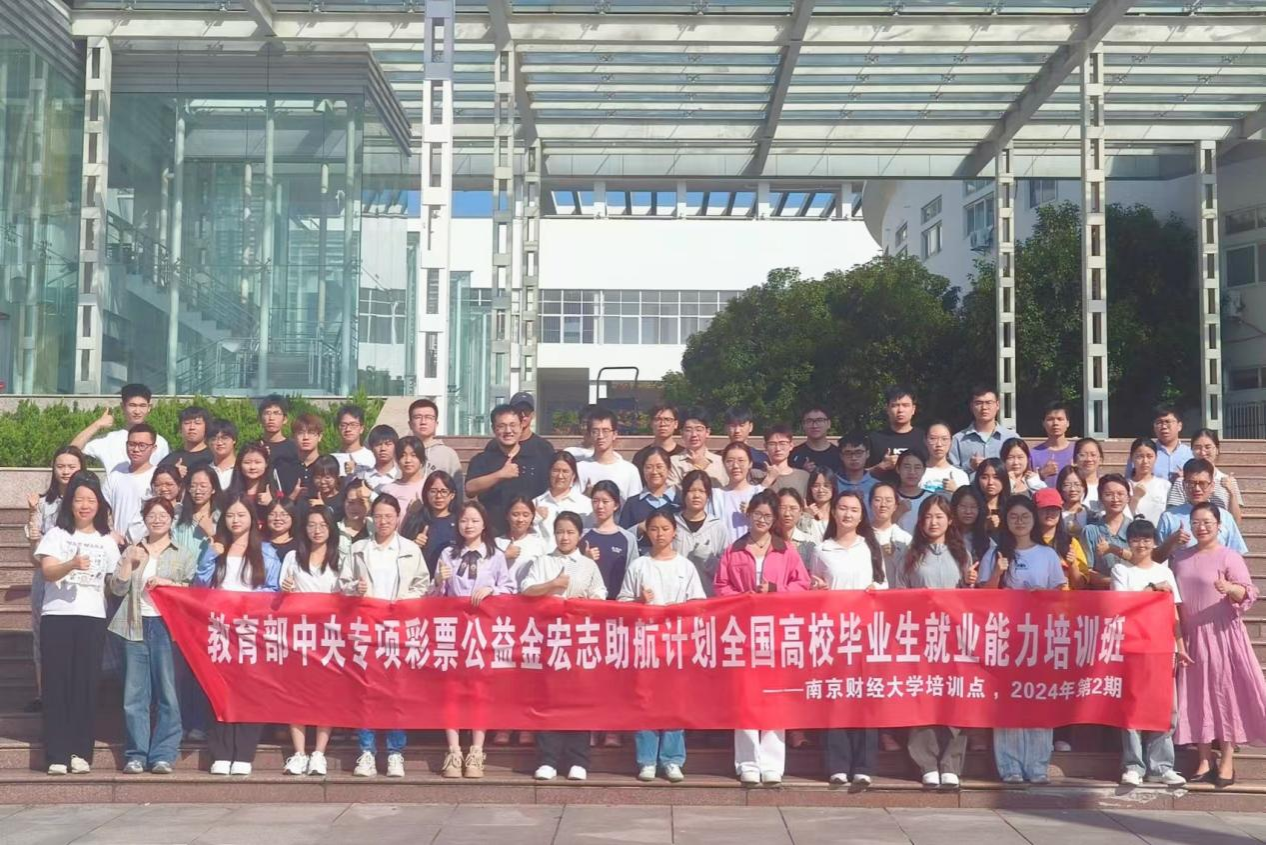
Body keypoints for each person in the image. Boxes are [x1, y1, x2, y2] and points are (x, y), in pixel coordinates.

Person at [714, 490, 810, 785]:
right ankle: (747, 762)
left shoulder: (785, 550)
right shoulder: (734, 550)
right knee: (745, 697)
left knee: (774, 696)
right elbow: (720, 585)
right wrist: (743, 597)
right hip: (742, 633)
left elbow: (802, 584)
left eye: (768, 516)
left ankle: (771, 763)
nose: (762, 520)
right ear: (748, 515)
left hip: (776, 632)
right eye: (757, 514)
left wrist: (776, 591)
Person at [1172, 502, 1266, 787]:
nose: (1201, 527)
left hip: (1221, 634)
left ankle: (1227, 759)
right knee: (1195, 696)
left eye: (1207, 522)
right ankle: (1203, 758)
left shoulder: (1229, 556)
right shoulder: (1179, 558)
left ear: (1219, 525)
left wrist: (1230, 588)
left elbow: (1248, 593)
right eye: (1196, 522)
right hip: (1190, 636)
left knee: (1225, 695)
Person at [34, 475, 121, 775]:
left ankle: (80, 752)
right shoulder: (57, 535)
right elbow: (47, 572)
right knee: (57, 684)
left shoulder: (106, 541)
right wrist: (71, 564)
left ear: (100, 504)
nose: (85, 505)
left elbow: (114, 583)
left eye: (91, 500)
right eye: (79, 499)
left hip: (92, 618)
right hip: (57, 616)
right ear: (70, 503)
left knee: (85, 685)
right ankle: (57, 754)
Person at [193, 493, 282, 776]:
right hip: (220, 629)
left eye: (241, 515)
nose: (235, 520)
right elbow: (200, 585)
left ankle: (243, 752)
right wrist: (211, 554)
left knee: (249, 692)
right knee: (219, 691)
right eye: (230, 515)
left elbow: (273, 590)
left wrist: (247, 604)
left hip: (250, 630)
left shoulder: (265, 551)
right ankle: (221, 752)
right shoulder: (217, 548)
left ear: (252, 520)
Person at [343, 494, 430, 778]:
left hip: (398, 629)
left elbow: (423, 584)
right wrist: (354, 589)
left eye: (388, 516)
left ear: (397, 518)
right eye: (379, 516)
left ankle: (395, 753)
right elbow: (342, 583)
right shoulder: (359, 549)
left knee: (397, 692)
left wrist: (405, 601)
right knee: (366, 691)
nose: (383, 521)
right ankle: (367, 751)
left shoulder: (409, 550)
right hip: (367, 628)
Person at [979, 496, 1065, 784]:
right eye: (1013, 516)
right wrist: (998, 572)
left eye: (1025, 516)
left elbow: (1061, 597)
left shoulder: (1047, 554)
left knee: (1039, 701)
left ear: (1033, 519)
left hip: (1040, 638)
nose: (1019, 521)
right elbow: (983, 597)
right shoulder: (995, 553)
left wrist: (1044, 596)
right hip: (1005, 638)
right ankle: (1010, 766)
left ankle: (1038, 765)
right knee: (1009, 703)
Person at [894, 496, 978, 789]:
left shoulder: (962, 553)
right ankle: (926, 763)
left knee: (956, 698)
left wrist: (970, 583)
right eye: (928, 517)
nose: (933, 522)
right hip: (922, 637)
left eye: (939, 517)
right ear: (920, 521)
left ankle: (951, 763)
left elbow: (971, 598)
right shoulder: (910, 555)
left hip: (955, 638)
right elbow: (899, 595)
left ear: (950, 520)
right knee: (924, 698)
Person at [618, 508, 705, 783]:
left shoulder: (685, 566)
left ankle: (672, 759)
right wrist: (639, 602)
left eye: (665, 529)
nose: (659, 534)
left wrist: (679, 609)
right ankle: (646, 759)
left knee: (674, 702)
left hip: (677, 644)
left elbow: (698, 604)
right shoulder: (639, 565)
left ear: (674, 531)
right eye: (654, 529)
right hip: (646, 644)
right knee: (646, 701)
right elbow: (622, 603)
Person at [110, 497, 195, 775]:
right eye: (152, 515)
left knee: (168, 693)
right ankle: (136, 754)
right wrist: (128, 563)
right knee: (135, 695)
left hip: (167, 628)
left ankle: (163, 754)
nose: (157, 520)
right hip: (134, 624)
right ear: (144, 519)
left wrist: (170, 584)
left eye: (163, 515)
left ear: (171, 520)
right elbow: (117, 589)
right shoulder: (133, 549)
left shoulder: (183, 553)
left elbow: (193, 592)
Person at [521, 512, 608, 781]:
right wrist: (553, 585)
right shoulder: (543, 562)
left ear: (579, 535)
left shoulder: (588, 565)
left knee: (578, 700)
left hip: (579, 639)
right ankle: (548, 759)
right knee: (549, 699)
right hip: (548, 638)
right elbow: (526, 590)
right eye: (560, 531)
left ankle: (578, 759)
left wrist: (583, 604)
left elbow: (600, 596)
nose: (565, 537)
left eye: (570, 532)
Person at [807, 490, 885, 789]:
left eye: (854, 509)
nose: (847, 514)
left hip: (865, 633)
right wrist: (817, 590)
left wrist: (875, 591)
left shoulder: (870, 547)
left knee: (865, 699)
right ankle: (838, 765)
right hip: (834, 634)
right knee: (836, 698)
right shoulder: (822, 549)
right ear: (834, 512)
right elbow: (816, 587)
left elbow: (884, 586)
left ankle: (863, 766)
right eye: (842, 508)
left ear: (861, 515)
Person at [432, 501, 513, 779]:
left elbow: (509, 589)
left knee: (480, 690)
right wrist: (439, 580)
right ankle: (453, 750)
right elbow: (435, 598)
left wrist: (491, 590)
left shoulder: (495, 555)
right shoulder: (448, 554)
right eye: (464, 520)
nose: (469, 525)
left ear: (484, 524)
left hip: (483, 631)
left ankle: (477, 750)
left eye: (475, 521)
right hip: (453, 631)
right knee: (451, 691)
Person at [1111, 518, 1189, 788]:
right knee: (1132, 707)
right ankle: (1133, 765)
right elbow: (1123, 606)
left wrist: (1181, 647)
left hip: (1163, 647)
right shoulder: (1121, 570)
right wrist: (1153, 589)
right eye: (1135, 539)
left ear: (1155, 542)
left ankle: (1161, 766)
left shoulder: (1165, 571)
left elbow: (1174, 612)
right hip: (1132, 647)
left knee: (1166, 708)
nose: (1141, 544)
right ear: (1128, 542)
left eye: (1146, 539)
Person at [279, 506, 342, 777]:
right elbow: (282, 591)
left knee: (326, 693)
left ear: (331, 529)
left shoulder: (341, 558)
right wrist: (286, 590)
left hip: (329, 634)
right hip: (299, 633)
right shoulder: (293, 557)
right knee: (297, 693)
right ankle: (299, 753)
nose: (317, 530)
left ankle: (319, 752)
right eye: (312, 525)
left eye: (323, 525)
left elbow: (346, 593)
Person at [23, 445, 86, 714]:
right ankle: (43, 693)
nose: (66, 471)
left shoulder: (90, 501)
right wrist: (31, 519)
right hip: (46, 580)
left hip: (81, 580)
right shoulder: (42, 503)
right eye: (60, 466)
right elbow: (34, 556)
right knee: (42, 637)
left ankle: (75, 692)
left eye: (72, 466)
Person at [467, 404, 551, 535]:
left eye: (513, 425)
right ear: (494, 429)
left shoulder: (536, 458)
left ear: (521, 426)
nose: (508, 431)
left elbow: (549, 490)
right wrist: (500, 475)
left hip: (530, 534)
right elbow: (470, 488)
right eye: (501, 426)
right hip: (493, 534)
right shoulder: (483, 459)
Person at [1157, 459, 1249, 561]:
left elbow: (1236, 556)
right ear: (1183, 485)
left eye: (1202, 483)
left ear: (1212, 486)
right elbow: (1154, 559)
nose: (1197, 489)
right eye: (1191, 483)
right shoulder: (1169, 517)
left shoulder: (1225, 517)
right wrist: (1170, 542)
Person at [70, 383, 170, 469]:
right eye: (132, 405)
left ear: (149, 407)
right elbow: (72, 451)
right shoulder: (108, 440)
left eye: (142, 406)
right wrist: (97, 425)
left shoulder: (160, 442)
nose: (137, 411)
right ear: (123, 407)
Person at [1167, 429, 1244, 524]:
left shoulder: (1228, 481)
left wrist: (1231, 493)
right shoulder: (1182, 482)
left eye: (1208, 447)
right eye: (1197, 448)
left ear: (1217, 449)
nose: (1203, 452)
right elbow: (1173, 517)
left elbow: (1236, 521)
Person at [672, 469, 729, 597]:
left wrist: (709, 560)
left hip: (708, 597)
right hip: (676, 598)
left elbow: (725, 571)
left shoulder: (718, 527)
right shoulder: (671, 524)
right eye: (692, 490)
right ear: (684, 493)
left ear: (708, 495)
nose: (696, 495)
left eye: (702, 491)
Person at [583, 480, 638, 602]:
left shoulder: (628, 538)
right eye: (595, 501)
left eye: (605, 501)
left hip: (617, 605)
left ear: (616, 505)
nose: (600, 506)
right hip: (588, 603)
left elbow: (633, 574)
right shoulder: (583, 536)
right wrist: (585, 560)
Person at [103, 424, 158, 545]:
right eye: (132, 444)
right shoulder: (116, 473)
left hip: (147, 545)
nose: (136, 449)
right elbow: (103, 507)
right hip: (116, 543)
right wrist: (109, 531)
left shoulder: (157, 477)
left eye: (142, 445)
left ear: (153, 448)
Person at [1079, 474, 1134, 589]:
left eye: (1120, 494)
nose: (1115, 499)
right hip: (1101, 595)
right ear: (1100, 498)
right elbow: (1087, 571)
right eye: (1109, 494)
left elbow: (1144, 563)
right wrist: (1116, 581)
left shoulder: (1136, 528)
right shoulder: (1090, 531)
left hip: (1133, 593)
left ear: (1128, 498)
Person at [619, 447, 678, 553]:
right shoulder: (633, 503)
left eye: (659, 467)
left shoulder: (679, 501)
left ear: (669, 469)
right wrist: (639, 528)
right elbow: (621, 537)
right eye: (649, 467)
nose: (654, 472)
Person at [577, 407, 642, 500]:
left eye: (605, 431)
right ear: (590, 434)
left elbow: (634, 505)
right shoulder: (579, 468)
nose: (600, 436)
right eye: (595, 431)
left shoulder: (629, 470)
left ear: (614, 434)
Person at [403, 470, 460, 576]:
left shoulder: (460, 521)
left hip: (452, 579)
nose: (438, 496)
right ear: (426, 493)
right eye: (433, 491)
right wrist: (414, 544)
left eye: (444, 491)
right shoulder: (416, 520)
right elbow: (402, 552)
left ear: (452, 495)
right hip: (422, 579)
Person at [533, 451, 592, 550]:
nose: (560, 476)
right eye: (556, 471)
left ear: (573, 475)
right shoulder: (536, 503)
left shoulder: (586, 505)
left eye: (565, 471)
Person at [866, 385, 925, 484]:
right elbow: (859, 475)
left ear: (913, 409)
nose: (900, 410)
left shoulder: (924, 438)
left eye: (905, 405)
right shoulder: (874, 438)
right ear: (887, 409)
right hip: (882, 492)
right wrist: (881, 467)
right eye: (895, 405)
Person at [1034, 487, 1090, 590]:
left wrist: (1072, 564)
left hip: (1066, 598)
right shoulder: (1027, 542)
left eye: (1054, 509)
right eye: (1044, 508)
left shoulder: (1070, 542)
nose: (1049, 513)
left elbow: (1081, 586)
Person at [949, 386, 1017, 471]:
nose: (984, 407)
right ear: (971, 406)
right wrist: (970, 466)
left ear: (997, 405)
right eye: (979, 403)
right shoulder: (958, 440)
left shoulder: (1011, 438)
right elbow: (950, 473)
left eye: (989, 402)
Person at [408, 398, 463, 494]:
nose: (423, 422)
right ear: (410, 424)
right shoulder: (401, 452)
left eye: (429, 417)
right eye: (417, 417)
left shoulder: (448, 454)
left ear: (436, 423)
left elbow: (457, 489)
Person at [497, 496, 550, 595]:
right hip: (502, 597)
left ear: (532, 517)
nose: (520, 519)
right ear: (507, 516)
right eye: (515, 514)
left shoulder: (540, 544)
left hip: (529, 598)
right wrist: (503, 556)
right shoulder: (496, 543)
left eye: (525, 515)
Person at [1129, 404, 1194, 484]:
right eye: (1159, 422)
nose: (1164, 427)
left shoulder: (1190, 453)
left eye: (1168, 422)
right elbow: (1130, 481)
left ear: (1179, 426)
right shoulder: (1143, 454)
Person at [667, 409, 726, 488]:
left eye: (699, 430)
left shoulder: (720, 462)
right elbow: (672, 491)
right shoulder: (673, 462)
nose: (694, 434)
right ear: (681, 433)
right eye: (688, 430)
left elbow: (725, 488)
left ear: (707, 432)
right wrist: (696, 468)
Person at [717, 443, 760, 543]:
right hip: (724, 550)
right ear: (723, 464)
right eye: (730, 461)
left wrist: (754, 513)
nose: (735, 466)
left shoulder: (760, 493)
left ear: (750, 464)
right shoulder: (716, 496)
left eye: (741, 461)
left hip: (754, 549)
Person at [506, 392, 557, 470]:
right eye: (518, 411)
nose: (523, 415)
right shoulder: (496, 446)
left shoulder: (544, 448)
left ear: (533, 415)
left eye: (526, 412)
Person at [1127, 437, 1172, 525]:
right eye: (1140, 456)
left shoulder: (1165, 485)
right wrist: (1135, 498)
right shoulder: (1125, 485)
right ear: (1132, 458)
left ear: (1156, 457)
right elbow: (1122, 518)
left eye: (1149, 456)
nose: (1145, 461)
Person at [790, 406, 844, 476]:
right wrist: (802, 473)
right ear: (803, 425)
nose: (814, 426)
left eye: (820, 420)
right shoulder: (793, 454)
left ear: (829, 424)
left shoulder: (840, 455)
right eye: (809, 421)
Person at [379, 435, 427, 512]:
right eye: (403, 456)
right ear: (397, 460)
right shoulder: (388, 490)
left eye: (413, 455)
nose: (408, 460)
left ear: (421, 460)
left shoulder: (429, 487)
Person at [158, 406, 213, 473]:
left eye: (197, 423)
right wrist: (173, 474)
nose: (192, 427)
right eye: (187, 423)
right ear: (180, 429)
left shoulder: (214, 458)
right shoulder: (170, 460)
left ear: (206, 427)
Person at [951, 487, 995, 570]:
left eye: (973, 507)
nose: (968, 511)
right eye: (963, 506)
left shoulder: (986, 541)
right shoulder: (946, 537)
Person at [1030, 402, 1075, 483]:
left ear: (1068, 423)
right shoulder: (1033, 454)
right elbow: (1026, 483)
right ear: (1043, 423)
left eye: (1060, 419)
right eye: (1050, 419)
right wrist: (1042, 474)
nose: (1055, 423)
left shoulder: (1077, 451)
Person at [759, 425, 809, 496]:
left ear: (791, 446)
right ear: (765, 446)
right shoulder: (757, 475)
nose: (778, 449)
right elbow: (750, 500)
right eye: (772, 444)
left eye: (782, 444)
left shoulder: (804, 476)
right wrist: (768, 480)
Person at [892, 448, 933, 535]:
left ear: (924, 470)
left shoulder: (931, 499)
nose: (912, 472)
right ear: (898, 469)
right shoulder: (889, 497)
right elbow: (880, 529)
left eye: (917, 467)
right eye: (907, 467)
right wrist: (898, 513)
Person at [634, 404, 685, 473]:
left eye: (667, 419)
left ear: (676, 424)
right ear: (651, 423)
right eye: (657, 419)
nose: (662, 424)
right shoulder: (641, 456)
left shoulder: (683, 455)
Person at [921, 422, 968, 495]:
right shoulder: (916, 473)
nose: (939, 444)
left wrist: (955, 491)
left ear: (951, 441)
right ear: (925, 441)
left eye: (944, 439)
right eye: (933, 439)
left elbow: (966, 500)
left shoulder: (960, 475)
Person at [257, 394, 299, 474]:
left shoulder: (295, 448)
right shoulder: (254, 447)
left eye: (276, 413)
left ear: (285, 419)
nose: (271, 418)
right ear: (260, 419)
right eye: (267, 413)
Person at [332, 403, 374, 479]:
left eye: (353, 425)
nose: (348, 429)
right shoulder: (332, 459)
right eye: (343, 425)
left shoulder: (372, 458)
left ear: (361, 429)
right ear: (338, 429)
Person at [971, 458, 1010, 535]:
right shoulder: (972, 509)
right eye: (984, 477)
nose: (990, 482)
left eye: (996, 477)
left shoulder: (1011, 508)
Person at [798, 467, 835, 544]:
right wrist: (807, 516)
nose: (821, 490)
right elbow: (799, 538)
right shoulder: (803, 512)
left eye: (826, 485)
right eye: (816, 486)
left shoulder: (838, 512)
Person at [835, 433, 877, 501]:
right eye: (848, 453)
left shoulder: (877, 486)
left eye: (859, 452)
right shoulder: (832, 484)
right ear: (841, 456)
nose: (854, 458)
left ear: (867, 454)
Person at [337, 480, 372, 558]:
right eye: (351, 502)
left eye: (361, 502)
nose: (355, 507)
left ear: (370, 504)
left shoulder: (375, 527)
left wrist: (371, 495)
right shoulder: (335, 529)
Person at [1056, 465, 1093, 534]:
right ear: (1060, 487)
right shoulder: (1054, 516)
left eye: (1077, 484)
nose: (1072, 489)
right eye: (1067, 485)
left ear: (1084, 487)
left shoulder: (1094, 517)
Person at [308, 455, 346, 521]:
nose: (322, 481)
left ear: (337, 476)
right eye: (318, 477)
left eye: (327, 477)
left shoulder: (344, 499)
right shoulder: (309, 498)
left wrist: (323, 508)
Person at [364, 424, 401, 492]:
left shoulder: (402, 476)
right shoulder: (364, 477)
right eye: (378, 444)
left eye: (388, 444)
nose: (383, 449)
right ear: (371, 448)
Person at [1074, 437, 1106, 514]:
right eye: (1083, 455)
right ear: (1075, 459)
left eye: (1093, 455)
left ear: (1100, 459)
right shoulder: (1070, 487)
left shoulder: (1107, 486)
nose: (1088, 459)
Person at [262, 498, 299, 564]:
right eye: (272, 514)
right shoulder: (260, 545)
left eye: (283, 514)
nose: (277, 518)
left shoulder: (300, 546)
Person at [208, 419, 239, 491]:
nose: (219, 443)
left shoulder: (242, 469)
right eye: (214, 439)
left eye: (224, 438)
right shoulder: (204, 471)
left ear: (234, 440)